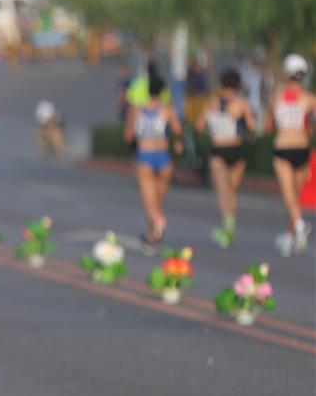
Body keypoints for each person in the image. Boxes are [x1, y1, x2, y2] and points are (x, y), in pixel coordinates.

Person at [196, 68, 256, 248]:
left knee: (223, 190)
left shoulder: (211, 103)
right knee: (231, 190)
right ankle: (229, 227)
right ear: (237, 85)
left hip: (219, 150)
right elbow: (252, 127)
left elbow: (199, 126)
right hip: (237, 150)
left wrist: (213, 123)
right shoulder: (241, 103)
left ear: (221, 84)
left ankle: (227, 228)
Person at [124, 74, 183, 254]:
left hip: (145, 156)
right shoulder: (167, 109)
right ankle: (152, 235)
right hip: (164, 157)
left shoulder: (137, 109)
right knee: (157, 199)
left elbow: (128, 135)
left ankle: (158, 223)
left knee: (148, 199)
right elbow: (178, 130)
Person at [266, 53, 315, 257]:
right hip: (302, 149)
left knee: (289, 195)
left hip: (282, 149)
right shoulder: (310, 99)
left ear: (286, 74)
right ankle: (290, 236)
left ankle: (299, 227)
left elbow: (269, 126)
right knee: (294, 197)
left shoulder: (276, 97)